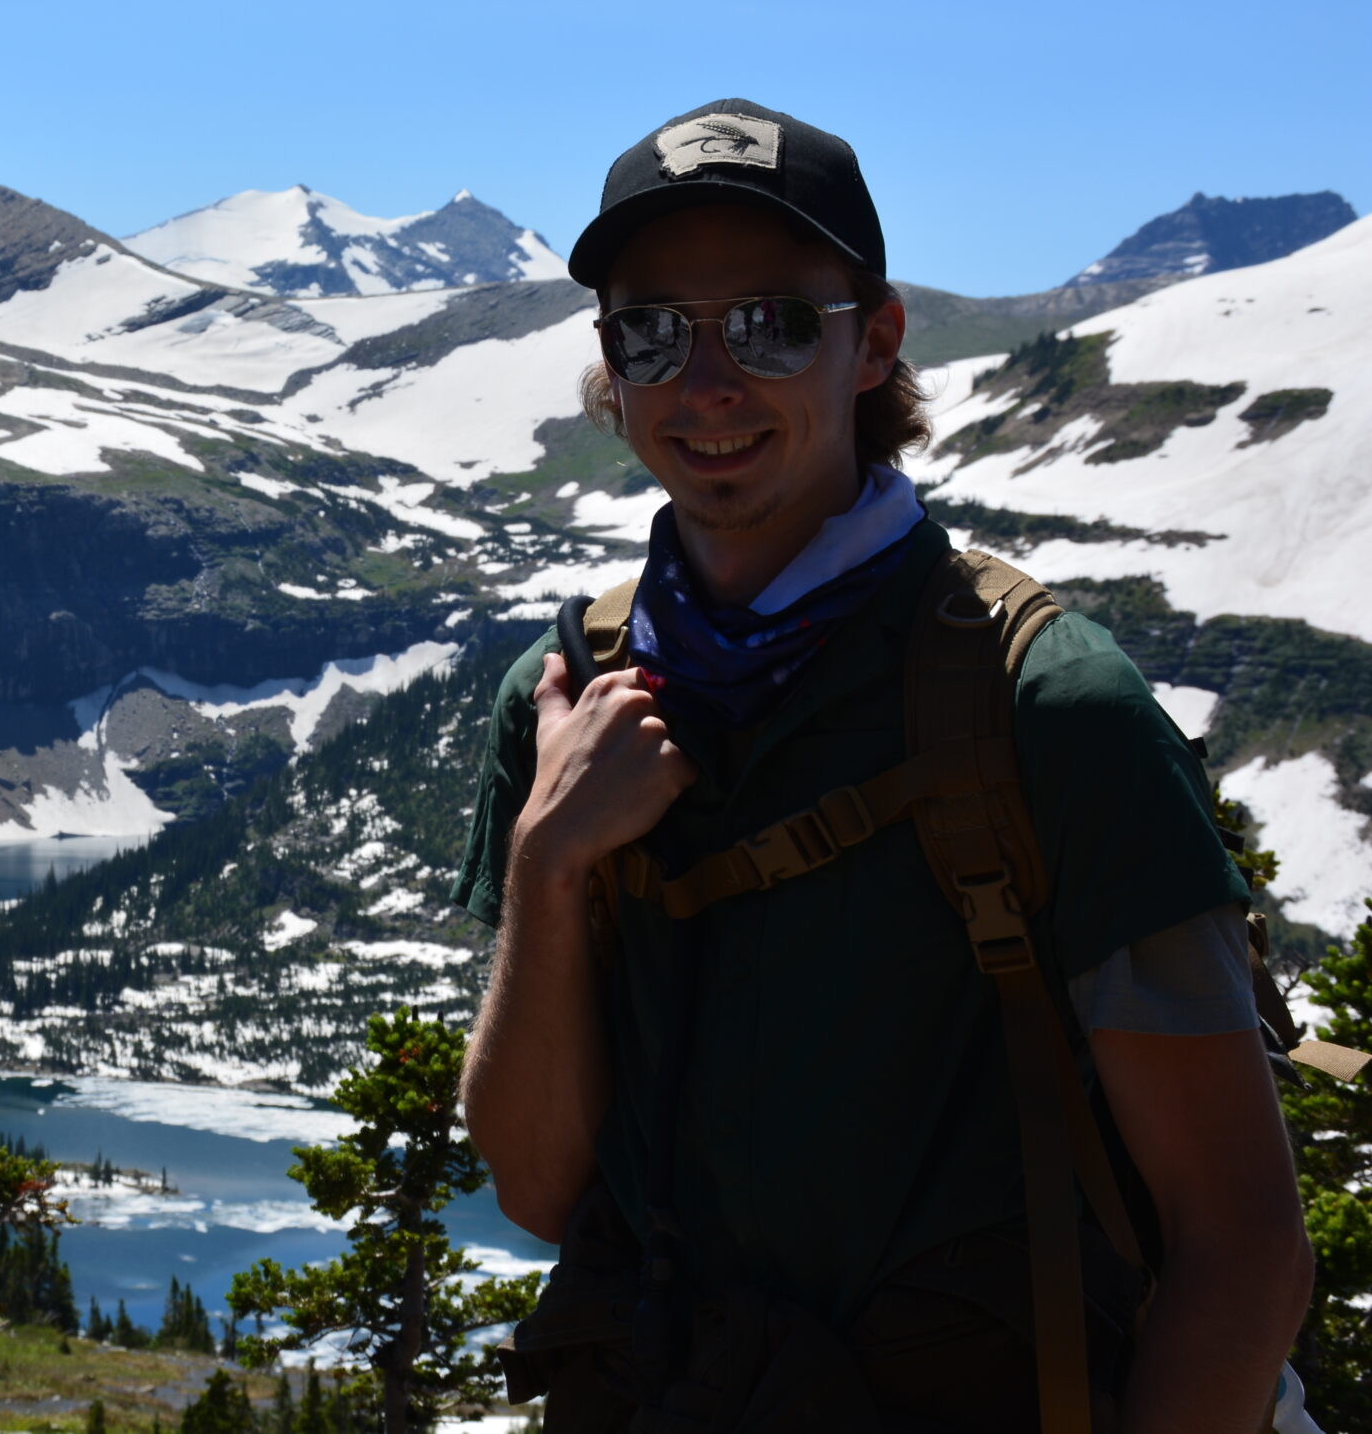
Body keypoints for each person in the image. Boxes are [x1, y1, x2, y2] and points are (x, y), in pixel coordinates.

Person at [452, 100, 1313, 1431]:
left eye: (772, 322)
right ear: (609, 367)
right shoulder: (565, 697)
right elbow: (538, 1186)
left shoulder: (1046, 705)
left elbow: (1242, 1243)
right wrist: (550, 860)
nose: (709, 382)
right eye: (653, 331)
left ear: (877, 343)